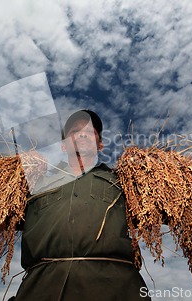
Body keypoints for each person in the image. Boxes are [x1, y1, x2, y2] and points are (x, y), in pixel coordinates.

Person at [11, 110, 150, 301]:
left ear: (100, 145)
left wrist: (151, 169)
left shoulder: (122, 182)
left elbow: (163, 212)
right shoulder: (37, 184)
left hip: (116, 289)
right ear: (62, 146)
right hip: (42, 289)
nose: (82, 134)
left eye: (90, 131)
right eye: (74, 131)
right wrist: (12, 169)